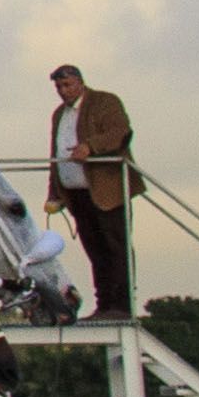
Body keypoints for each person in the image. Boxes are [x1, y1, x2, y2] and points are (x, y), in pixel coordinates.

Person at [47, 61, 135, 316]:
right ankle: (104, 304)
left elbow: (121, 132)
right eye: (59, 86)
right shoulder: (59, 114)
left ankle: (121, 305)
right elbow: (55, 154)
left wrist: (91, 146)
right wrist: (54, 191)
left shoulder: (105, 102)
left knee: (115, 247)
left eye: (67, 84)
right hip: (76, 192)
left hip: (106, 192)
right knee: (94, 249)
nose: (63, 90)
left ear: (80, 82)